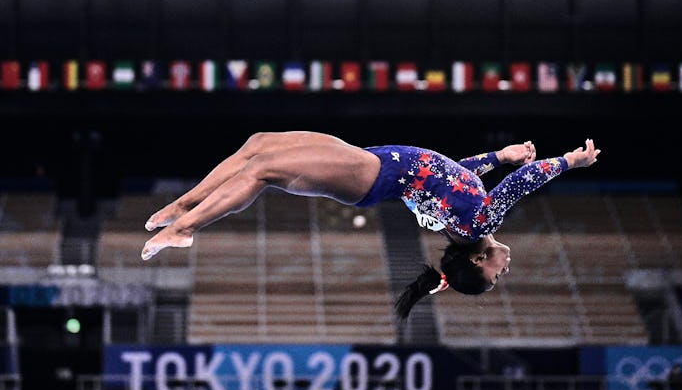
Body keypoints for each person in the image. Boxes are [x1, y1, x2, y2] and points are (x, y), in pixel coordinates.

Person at [140, 131, 600, 320]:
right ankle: (185, 205)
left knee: (262, 171)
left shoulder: (481, 220)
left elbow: (522, 182)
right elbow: (452, 171)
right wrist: (499, 157)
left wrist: (570, 161)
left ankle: (187, 227)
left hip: (369, 174)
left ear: (478, 259)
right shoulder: (465, 220)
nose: (507, 264)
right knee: (258, 145)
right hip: (370, 164)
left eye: (498, 273)